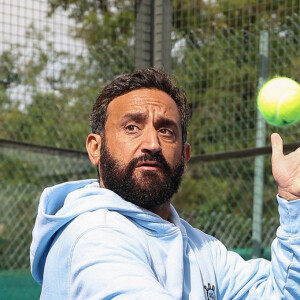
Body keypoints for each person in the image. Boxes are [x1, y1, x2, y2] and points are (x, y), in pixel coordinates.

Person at [30, 68, 300, 299]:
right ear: (95, 149)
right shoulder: (93, 236)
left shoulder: (202, 248)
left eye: (166, 130)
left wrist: (292, 199)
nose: (152, 144)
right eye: (132, 127)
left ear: (184, 155)